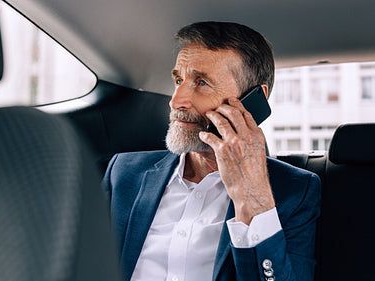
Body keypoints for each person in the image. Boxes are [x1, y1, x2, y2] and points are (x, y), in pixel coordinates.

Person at [103, 21, 321, 281]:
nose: (176, 101)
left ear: (254, 100)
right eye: (179, 80)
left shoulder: (295, 191)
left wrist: (252, 198)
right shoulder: (123, 173)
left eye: (202, 82)